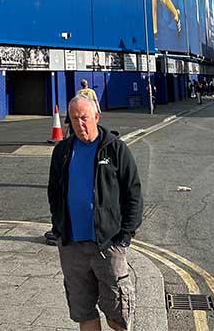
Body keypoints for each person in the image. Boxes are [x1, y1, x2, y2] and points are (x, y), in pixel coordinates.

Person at [48, 93, 143, 331]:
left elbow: (133, 193)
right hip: (72, 246)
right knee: (84, 312)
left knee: (118, 314)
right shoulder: (62, 152)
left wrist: (124, 236)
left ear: (96, 116)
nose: (79, 124)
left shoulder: (116, 149)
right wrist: (59, 228)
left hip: (107, 245)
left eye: (84, 118)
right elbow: (53, 192)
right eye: (74, 119)